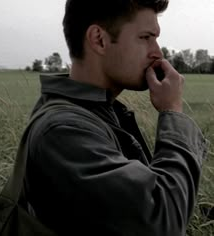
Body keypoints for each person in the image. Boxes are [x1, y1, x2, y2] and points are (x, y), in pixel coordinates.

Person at [24, 0, 208, 235]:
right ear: (99, 39)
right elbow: (164, 222)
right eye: (145, 37)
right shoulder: (62, 131)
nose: (157, 52)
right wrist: (172, 111)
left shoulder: (96, 112)